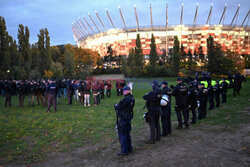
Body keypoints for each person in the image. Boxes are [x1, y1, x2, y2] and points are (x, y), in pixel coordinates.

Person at [114, 86, 135, 156]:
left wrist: (116, 105)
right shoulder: (132, 98)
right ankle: (129, 148)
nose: (123, 91)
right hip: (128, 117)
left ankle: (124, 151)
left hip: (123, 118)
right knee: (127, 133)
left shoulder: (126, 99)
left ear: (128, 91)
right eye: (123, 90)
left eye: (125, 90)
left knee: (122, 134)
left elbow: (118, 107)